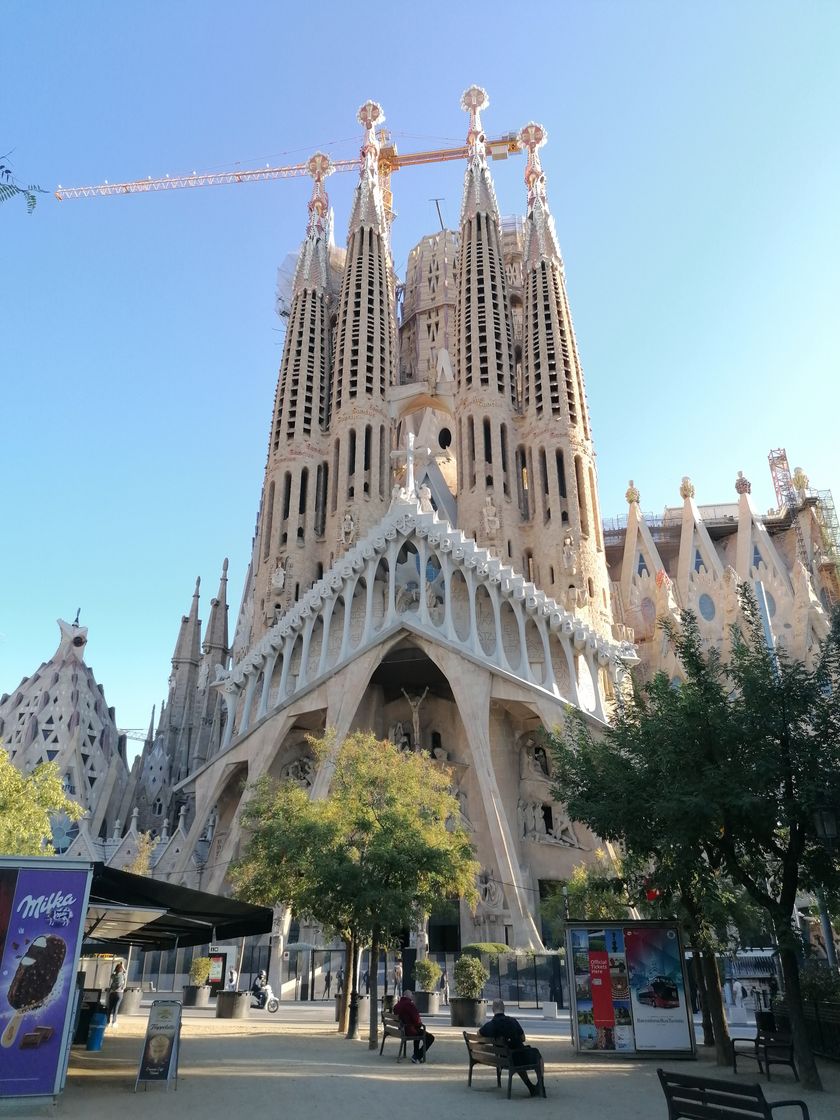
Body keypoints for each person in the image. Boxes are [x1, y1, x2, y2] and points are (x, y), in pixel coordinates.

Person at [479, 999, 544, 1096]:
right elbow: (523, 1038)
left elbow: (478, 1034)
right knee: (537, 1054)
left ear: (493, 1010)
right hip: (520, 1056)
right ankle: (540, 1083)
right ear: (504, 1009)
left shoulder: (490, 1025)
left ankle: (531, 1086)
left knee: (515, 1058)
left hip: (503, 1059)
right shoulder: (513, 1021)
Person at [393, 990, 435, 1064]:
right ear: (409, 996)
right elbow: (416, 1019)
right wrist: (419, 1024)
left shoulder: (397, 1005)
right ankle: (417, 1056)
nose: (412, 997)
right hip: (409, 1030)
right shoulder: (409, 1005)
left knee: (418, 1031)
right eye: (411, 995)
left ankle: (416, 1054)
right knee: (430, 1038)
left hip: (401, 1030)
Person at [108, 960, 126, 1028]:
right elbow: (125, 972)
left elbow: (113, 974)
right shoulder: (122, 975)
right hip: (119, 993)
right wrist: (123, 966)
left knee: (110, 1008)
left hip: (112, 992)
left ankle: (107, 1022)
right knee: (116, 1008)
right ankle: (114, 1022)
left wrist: (115, 970)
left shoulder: (113, 975)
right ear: (121, 970)